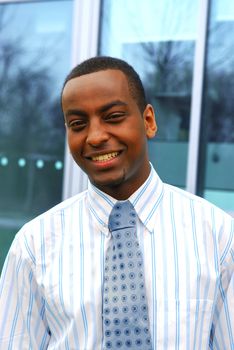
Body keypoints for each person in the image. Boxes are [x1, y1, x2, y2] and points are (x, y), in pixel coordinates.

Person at [0, 56, 233, 349]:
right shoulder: (33, 247)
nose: (95, 136)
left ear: (148, 121)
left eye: (112, 117)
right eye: (78, 123)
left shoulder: (218, 235)